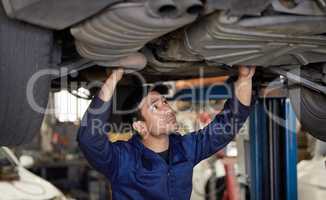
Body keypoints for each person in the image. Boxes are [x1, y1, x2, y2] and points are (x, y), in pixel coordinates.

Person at [77, 66, 256, 200]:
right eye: (155, 106)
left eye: (164, 101)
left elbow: (227, 127)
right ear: (140, 126)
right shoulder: (123, 160)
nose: (167, 109)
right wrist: (114, 77)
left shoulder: (185, 148)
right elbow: (89, 140)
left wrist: (245, 79)